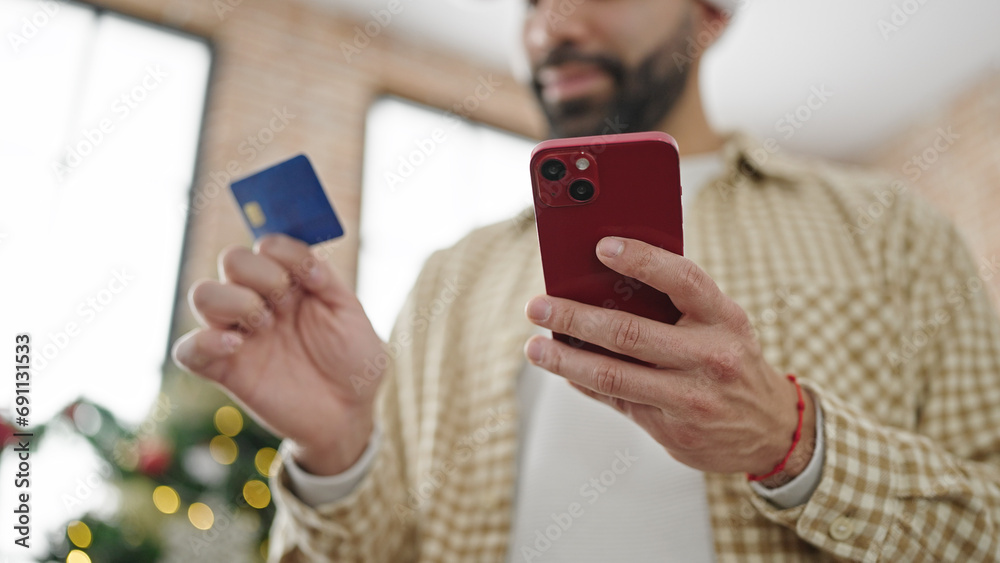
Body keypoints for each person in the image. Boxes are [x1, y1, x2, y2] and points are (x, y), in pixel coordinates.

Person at [172, 0, 1000, 560]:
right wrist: (338, 455)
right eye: (531, 1)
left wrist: (789, 440)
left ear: (711, 11)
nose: (551, 26)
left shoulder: (891, 229)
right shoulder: (449, 279)